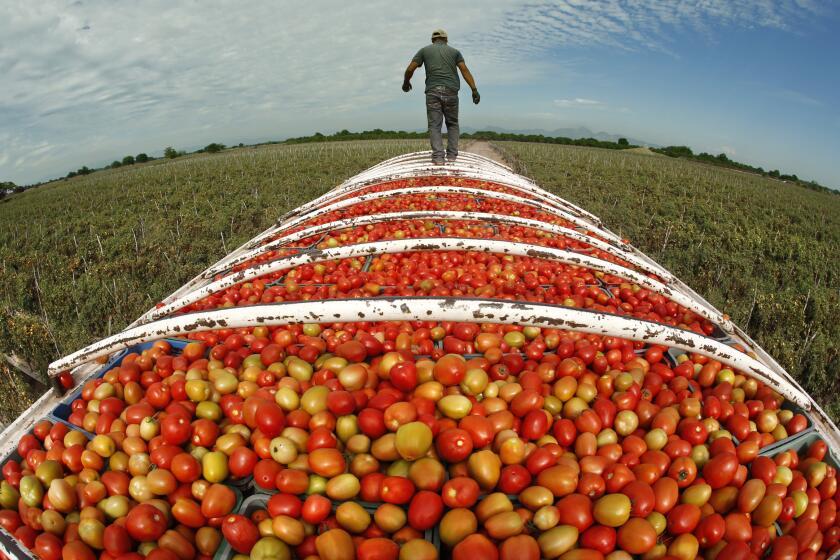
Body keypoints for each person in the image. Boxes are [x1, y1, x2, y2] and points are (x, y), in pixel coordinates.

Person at [402, 29, 479, 164]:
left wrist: (406, 82)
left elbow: (410, 69)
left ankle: (438, 157)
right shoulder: (455, 52)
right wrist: (474, 89)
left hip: (432, 91)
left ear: (433, 40)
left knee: (434, 126)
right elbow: (464, 70)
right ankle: (451, 157)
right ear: (446, 40)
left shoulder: (424, 51)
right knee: (452, 124)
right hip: (451, 91)